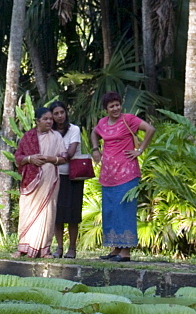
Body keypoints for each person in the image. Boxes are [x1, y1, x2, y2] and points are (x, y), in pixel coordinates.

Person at [91, 92, 155, 262]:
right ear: (106, 109)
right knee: (111, 211)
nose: (116, 108)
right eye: (111, 106)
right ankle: (115, 249)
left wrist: (139, 150)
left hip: (127, 173)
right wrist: (95, 149)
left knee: (125, 210)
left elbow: (150, 129)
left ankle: (125, 252)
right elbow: (94, 132)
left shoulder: (129, 119)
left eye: (117, 104)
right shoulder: (103, 123)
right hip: (108, 175)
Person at [13, 106, 66, 259]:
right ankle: (23, 247)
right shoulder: (28, 137)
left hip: (50, 178)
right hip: (31, 180)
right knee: (27, 211)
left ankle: (44, 250)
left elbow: (63, 158)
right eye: (46, 119)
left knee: (47, 212)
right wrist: (30, 159)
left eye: (51, 119)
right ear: (37, 121)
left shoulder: (56, 137)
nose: (49, 121)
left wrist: (50, 159)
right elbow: (18, 157)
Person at [50, 101, 84, 259]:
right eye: (56, 114)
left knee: (72, 215)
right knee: (57, 215)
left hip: (73, 177)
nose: (59, 116)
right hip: (54, 176)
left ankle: (72, 248)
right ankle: (59, 248)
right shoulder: (49, 132)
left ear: (66, 112)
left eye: (61, 112)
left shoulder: (74, 129)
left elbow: (69, 153)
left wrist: (51, 157)